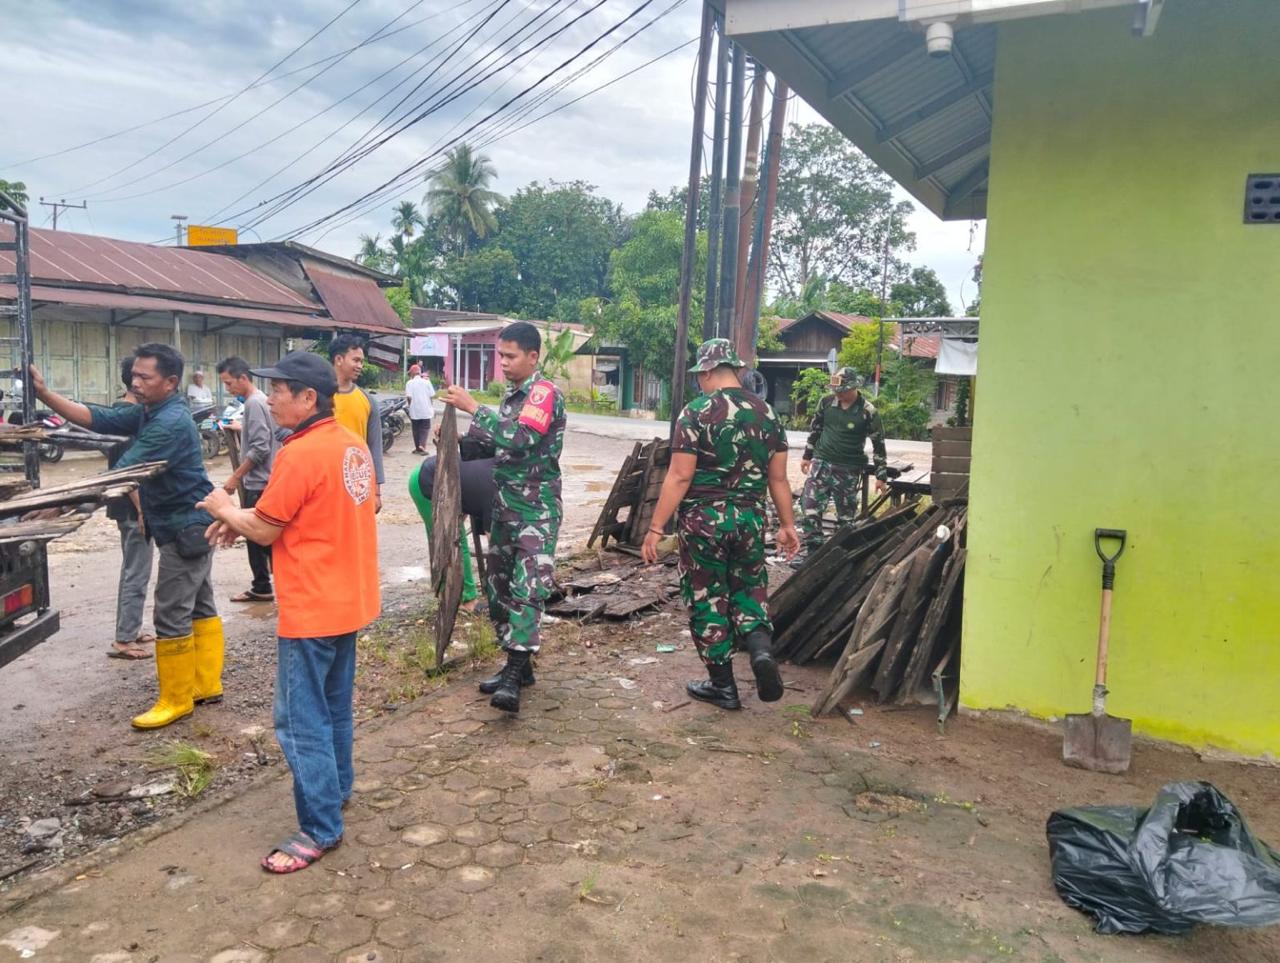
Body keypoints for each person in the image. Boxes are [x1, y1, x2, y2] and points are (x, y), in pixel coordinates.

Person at [199, 350, 379, 874]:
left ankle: (320, 827)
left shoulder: (300, 453)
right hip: (349, 597)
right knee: (334, 706)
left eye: (279, 390)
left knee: (299, 721)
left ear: (308, 397)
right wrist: (243, 519)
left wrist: (224, 508)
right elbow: (306, 512)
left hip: (313, 605)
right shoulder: (350, 445)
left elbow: (268, 527)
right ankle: (336, 791)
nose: (271, 398)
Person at [31, 343, 224, 729]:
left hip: (184, 528)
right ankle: (205, 684)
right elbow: (98, 417)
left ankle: (176, 700)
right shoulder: (150, 411)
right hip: (189, 525)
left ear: (170, 382)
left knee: (171, 612)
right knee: (200, 606)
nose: (135, 382)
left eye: (144, 377)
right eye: (134, 375)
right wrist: (45, 394)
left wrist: (62, 503)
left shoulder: (169, 423)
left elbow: (122, 473)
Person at [641, 339, 800, 711]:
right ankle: (761, 653)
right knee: (750, 590)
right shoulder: (767, 414)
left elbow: (680, 476)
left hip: (704, 522)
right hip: (749, 520)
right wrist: (787, 525)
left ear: (709, 371)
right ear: (736, 370)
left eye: (700, 375)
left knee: (708, 597)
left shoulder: (695, 412)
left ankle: (723, 687)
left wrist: (656, 528)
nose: (699, 381)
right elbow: (778, 478)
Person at [441, 321, 565, 714]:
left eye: (510, 356)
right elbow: (502, 446)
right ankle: (519, 667)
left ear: (533, 356)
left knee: (528, 590)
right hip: (506, 508)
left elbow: (522, 438)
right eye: (501, 356)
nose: (504, 363)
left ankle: (513, 674)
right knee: (498, 590)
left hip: (536, 512)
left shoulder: (543, 393)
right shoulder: (513, 396)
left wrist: (474, 409)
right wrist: (464, 442)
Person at [797, 366, 888, 561]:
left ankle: (838, 556)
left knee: (845, 517)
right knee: (810, 508)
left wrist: (881, 476)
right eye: (835, 390)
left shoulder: (868, 411)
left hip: (848, 468)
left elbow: (879, 444)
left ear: (854, 387)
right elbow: (816, 430)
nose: (837, 394)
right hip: (821, 463)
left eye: (842, 391)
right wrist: (807, 455)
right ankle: (813, 553)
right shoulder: (826, 402)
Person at [216, 356, 281, 602]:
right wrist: (240, 428)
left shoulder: (254, 403)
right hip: (267, 480)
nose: (228, 389)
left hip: (259, 482)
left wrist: (235, 477)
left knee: (256, 537)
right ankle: (272, 584)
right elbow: (264, 435)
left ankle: (263, 586)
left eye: (229, 383)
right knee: (264, 538)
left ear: (243, 378)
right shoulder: (262, 400)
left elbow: (260, 448)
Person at [106, 357, 155, 661]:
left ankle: (131, 628)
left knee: (132, 569)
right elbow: (130, 473)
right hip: (132, 506)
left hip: (122, 505)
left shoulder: (118, 412)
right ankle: (124, 639)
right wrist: (141, 510)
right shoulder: (130, 417)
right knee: (137, 571)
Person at [328, 335, 384, 512]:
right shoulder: (318, 397)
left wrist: (376, 492)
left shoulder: (367, 400)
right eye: (356, 360)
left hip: (356, 484)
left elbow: (374, 447)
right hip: (325, 480)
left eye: (362, 361)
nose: (360, 366)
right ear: (339, 359)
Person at [405, 364, 436, 454]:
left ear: (412, 374)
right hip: (426, 409)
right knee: (425, 427)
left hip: (414, 410)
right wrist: (431, 406)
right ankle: (422, 445)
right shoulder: (427, 382)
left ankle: (417, 448)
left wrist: (410, 406)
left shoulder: (409, 383)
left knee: (415, 429)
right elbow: (432, 395)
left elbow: (409, 397)